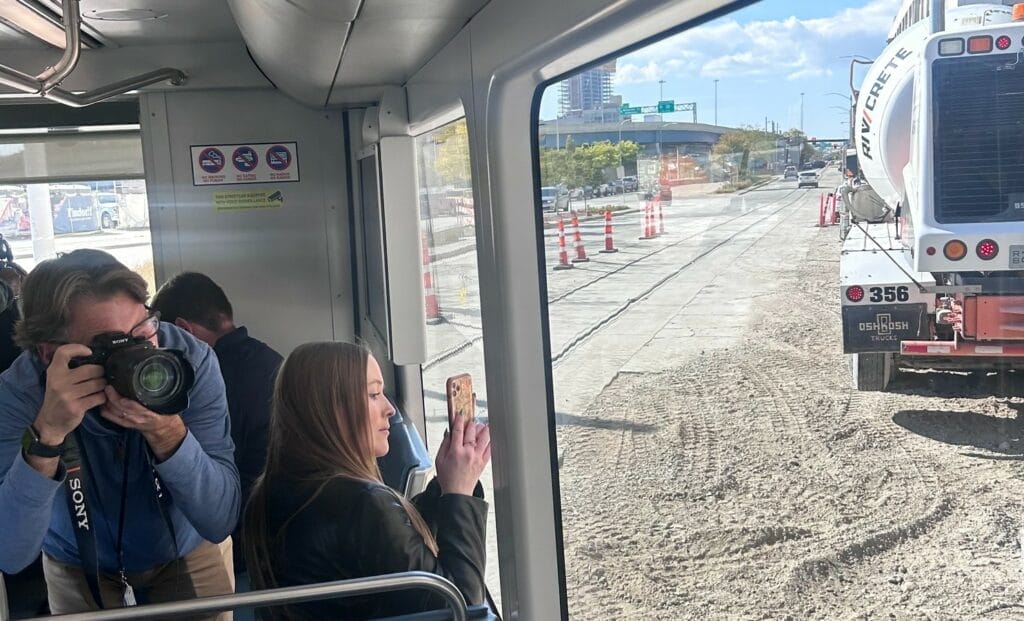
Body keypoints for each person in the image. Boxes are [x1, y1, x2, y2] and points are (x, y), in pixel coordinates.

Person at [0, 249, 239, 618]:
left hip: (186, 547)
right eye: (113, 346)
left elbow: (219, 517)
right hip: (78, 561)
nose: (142, 356)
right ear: (51, 354)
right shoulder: (20, 392)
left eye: (143, 331)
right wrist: (46, 436)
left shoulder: (189, 362)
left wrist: (168, 433)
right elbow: (11, 553)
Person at [245, 342, 490, 620]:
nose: (390, 409)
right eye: (374, 394)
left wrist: (444, 487)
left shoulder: (271, 491)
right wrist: (459, 493)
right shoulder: (362, 503)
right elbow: (462, 607)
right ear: (331, 409)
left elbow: (388, 550)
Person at [150, 272, 283, 577]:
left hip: (243, 535)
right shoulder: (270, 360)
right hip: (281, 525)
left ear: (182, 330)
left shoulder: (206, 381)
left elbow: (208, 477)